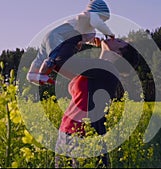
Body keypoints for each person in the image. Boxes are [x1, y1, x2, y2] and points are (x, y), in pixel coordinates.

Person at [53, 37, 140, 168]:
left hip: (83, 134)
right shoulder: (99, 70)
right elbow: (58, 65)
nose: (113, 37)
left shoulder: (106, 69)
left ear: (118, 54)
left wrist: (79, 35)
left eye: (120, 41)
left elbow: (61, 61)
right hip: (67, 132)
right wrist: (77, 45)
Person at [26, 0, 115, 86]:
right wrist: (110, 34)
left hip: (51, 35)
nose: (103, 21)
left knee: (42, 56)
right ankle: (44, 72)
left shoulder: (89, 29)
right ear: (98, 13)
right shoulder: (87, 15)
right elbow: (97, 22)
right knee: (56, 57)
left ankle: (32, 74)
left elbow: (87, 37)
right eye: (103, 19)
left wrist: (94, 42)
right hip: (59, 36)